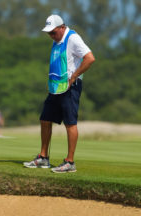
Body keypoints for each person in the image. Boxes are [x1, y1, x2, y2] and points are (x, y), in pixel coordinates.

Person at [23, 14, 95, 173]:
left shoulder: (73, 38)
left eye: (53, 32)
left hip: (71, 87)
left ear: (62, 27)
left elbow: (89, 58)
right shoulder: (57, 41)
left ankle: (70, 162)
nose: (51, 36)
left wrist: (74, 76)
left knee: (70, 123)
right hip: (56, 88)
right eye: (49, 33)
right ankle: (43, 158)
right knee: (45, 118)